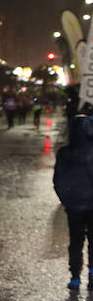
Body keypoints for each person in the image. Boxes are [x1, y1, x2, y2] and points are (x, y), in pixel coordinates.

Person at [55, 113, 93, 289]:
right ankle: (92, 274)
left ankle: (75, 276)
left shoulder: (65, 153)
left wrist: (66, 200)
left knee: (76, 241)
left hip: (74, 206)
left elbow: (58, 180)